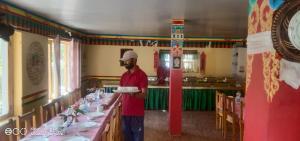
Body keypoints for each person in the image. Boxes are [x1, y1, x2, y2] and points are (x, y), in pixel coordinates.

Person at [119, 50, 148, 141]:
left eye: (127, 60)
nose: (125, 63)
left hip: (137, 114)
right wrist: (108, 104)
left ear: (134, 60)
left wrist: (134, 95)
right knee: (127, 138)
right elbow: (119, 92)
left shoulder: (142, 75)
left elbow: (144, 95)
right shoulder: (124, 76)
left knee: (137, 138)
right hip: (125, 112)